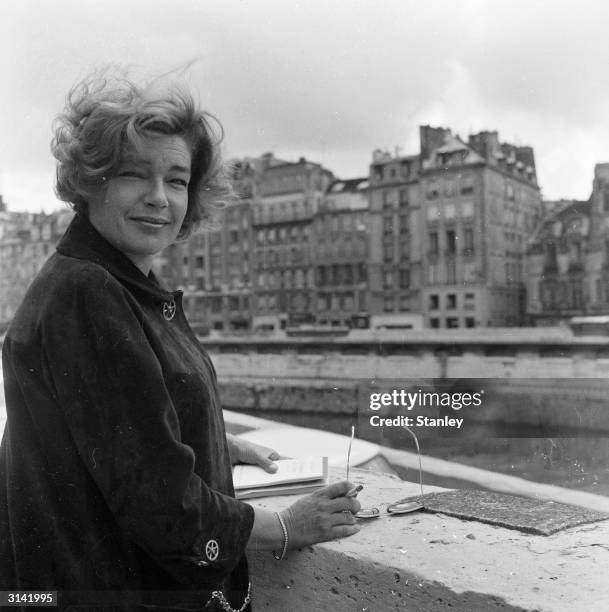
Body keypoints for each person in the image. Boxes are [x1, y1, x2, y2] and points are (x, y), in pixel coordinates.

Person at [0, 68, 361, 611]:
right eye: (133, 175)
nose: (158, 198)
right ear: (90, 180)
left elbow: (111, 430)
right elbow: (157, 501)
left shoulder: (112, 282)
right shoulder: (89, 294)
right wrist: (287, 527)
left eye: (175, 179)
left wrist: (215, 440)